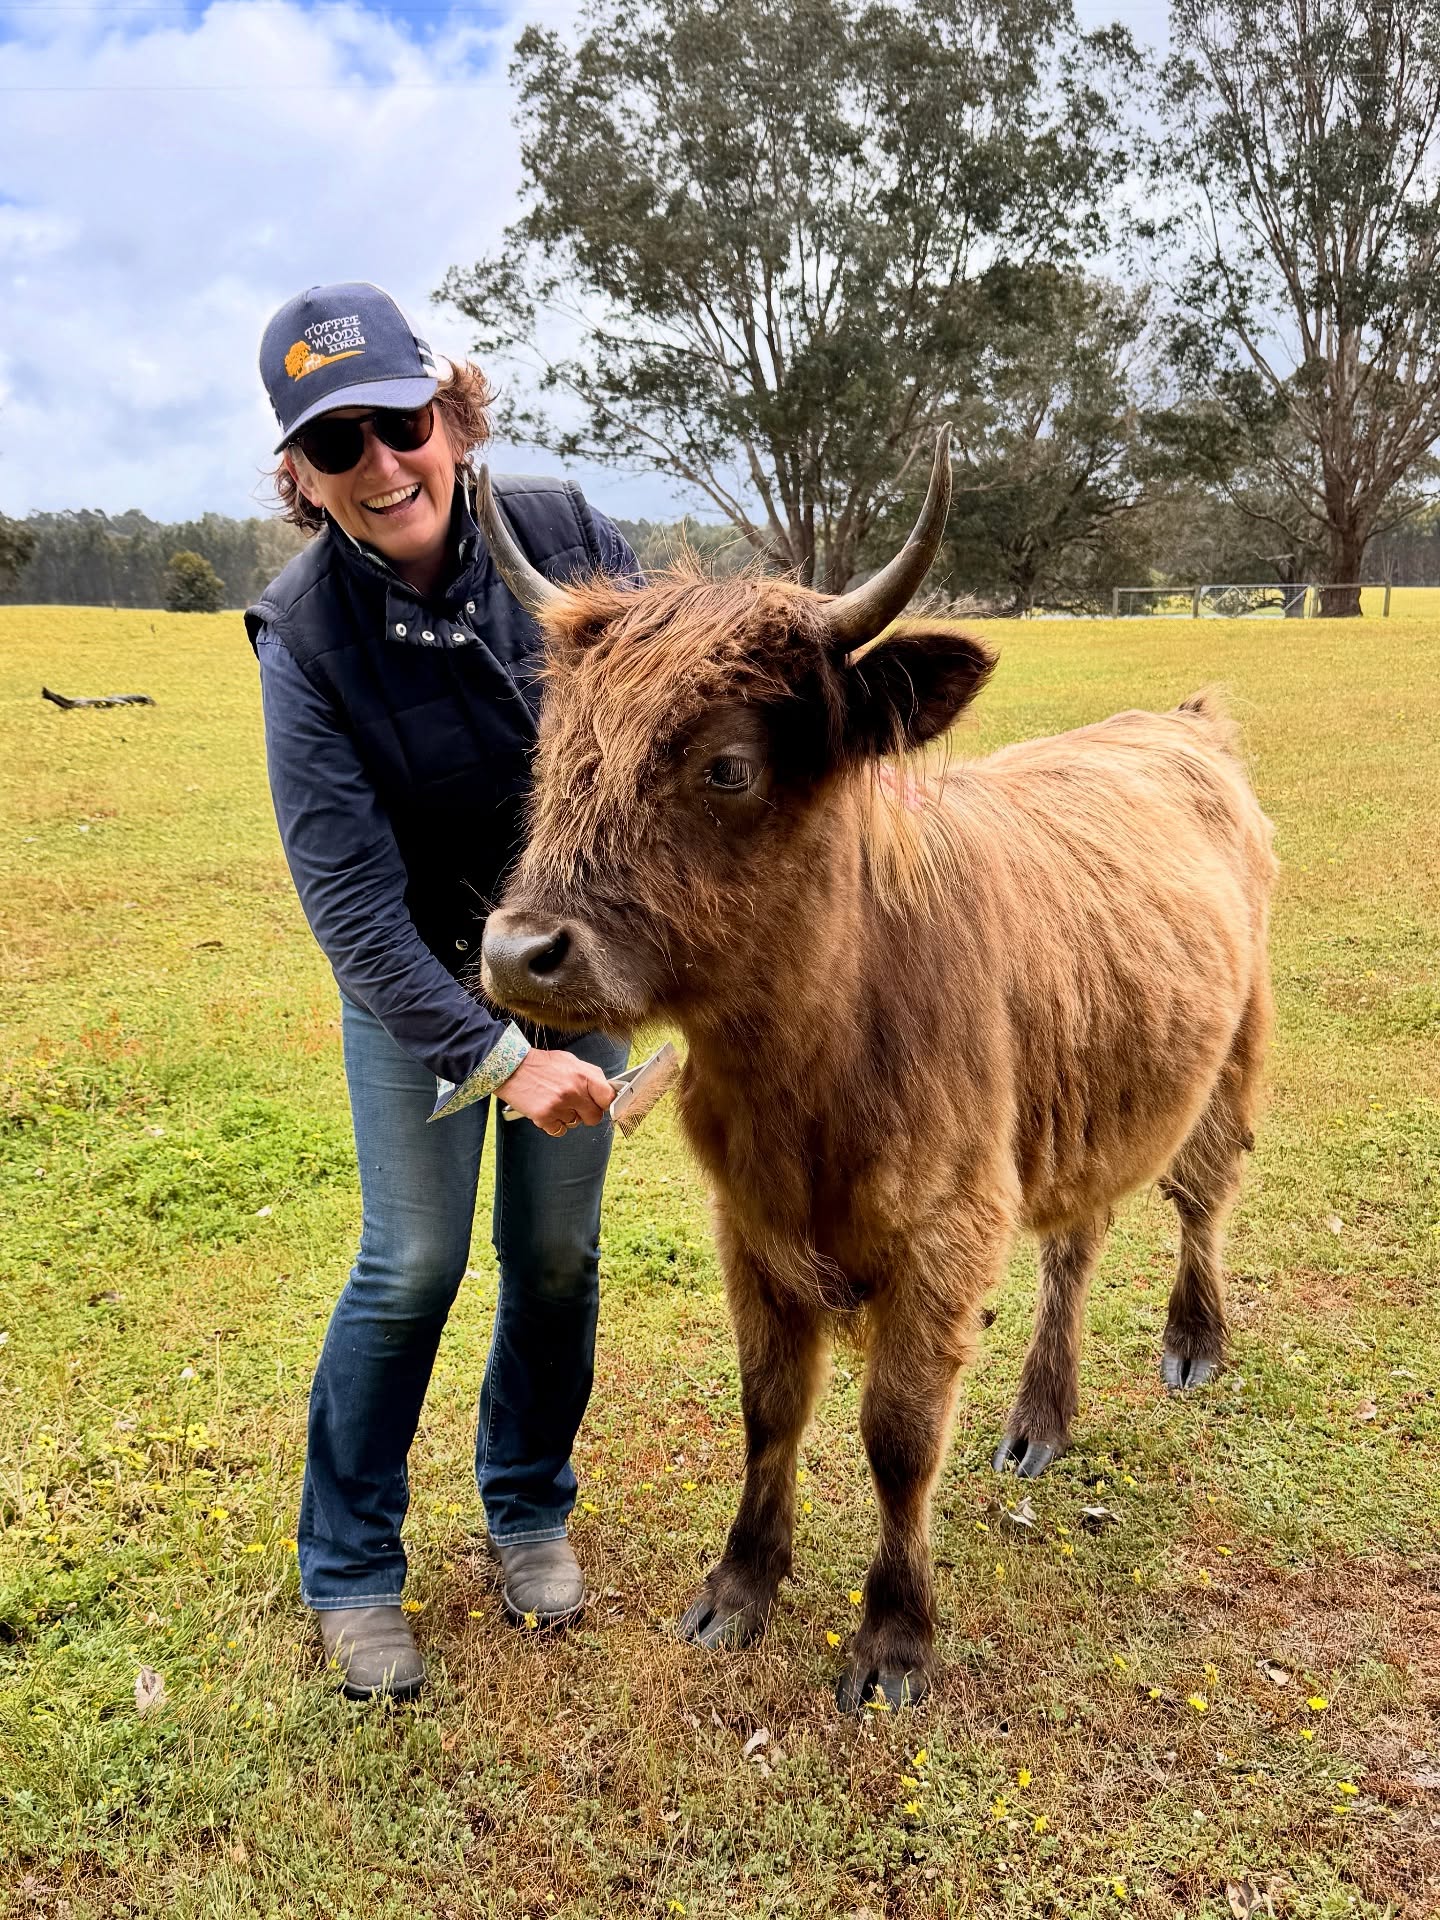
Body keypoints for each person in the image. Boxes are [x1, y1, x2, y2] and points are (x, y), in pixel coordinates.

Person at [246, 282, 638, 1701]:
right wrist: (498, 1055)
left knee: (556, 1257)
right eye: (335, 445)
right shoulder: (302, 637)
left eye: (399, 422)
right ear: (299, 473)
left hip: (574, 961)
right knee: (412, 1262)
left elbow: (673, 729)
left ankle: (528, 1503)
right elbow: (349, 908)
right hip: (415, 983)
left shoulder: (569, 534)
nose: (382, 464)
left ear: (451, 413)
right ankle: (350, 1564)